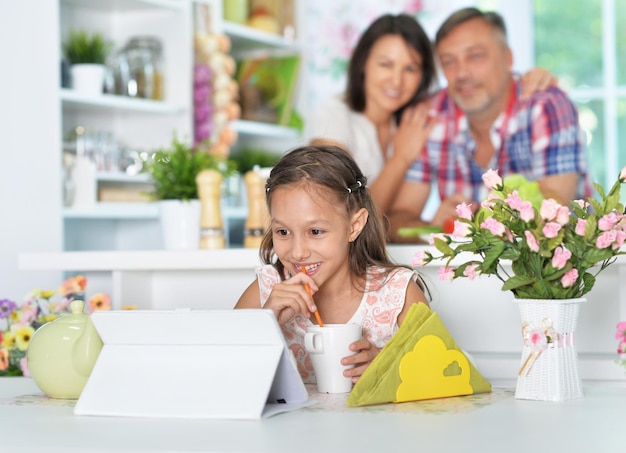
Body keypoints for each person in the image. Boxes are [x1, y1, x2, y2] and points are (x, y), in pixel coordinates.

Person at [305, 13, 556, 216]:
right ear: (363, 65)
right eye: (385, 64)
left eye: (410, 68)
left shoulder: (416, 119)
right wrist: (401, 158)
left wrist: (532, 78)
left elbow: (394, 219)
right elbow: (338, 212)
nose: (396, 80)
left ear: (423, 76)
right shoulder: (333, 116)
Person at [388, 7, 592, 242]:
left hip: (559, 269)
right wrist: (434, 230)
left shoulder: (546, 106)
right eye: (449, 61)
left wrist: (483, 221)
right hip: (471, 275)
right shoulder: (430, 116)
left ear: (508, 58)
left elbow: (555, 209)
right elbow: (396, 221)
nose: (461, 73)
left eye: (475, 56)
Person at [235, 145, 429, 384]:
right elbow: (222, 373)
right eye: (283, 231)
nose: (298, 252)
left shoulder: (397, 293)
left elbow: (442, 373)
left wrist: (389, 367)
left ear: (354, 226)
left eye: (315, 231)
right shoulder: (265, 292)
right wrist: (266, 321)